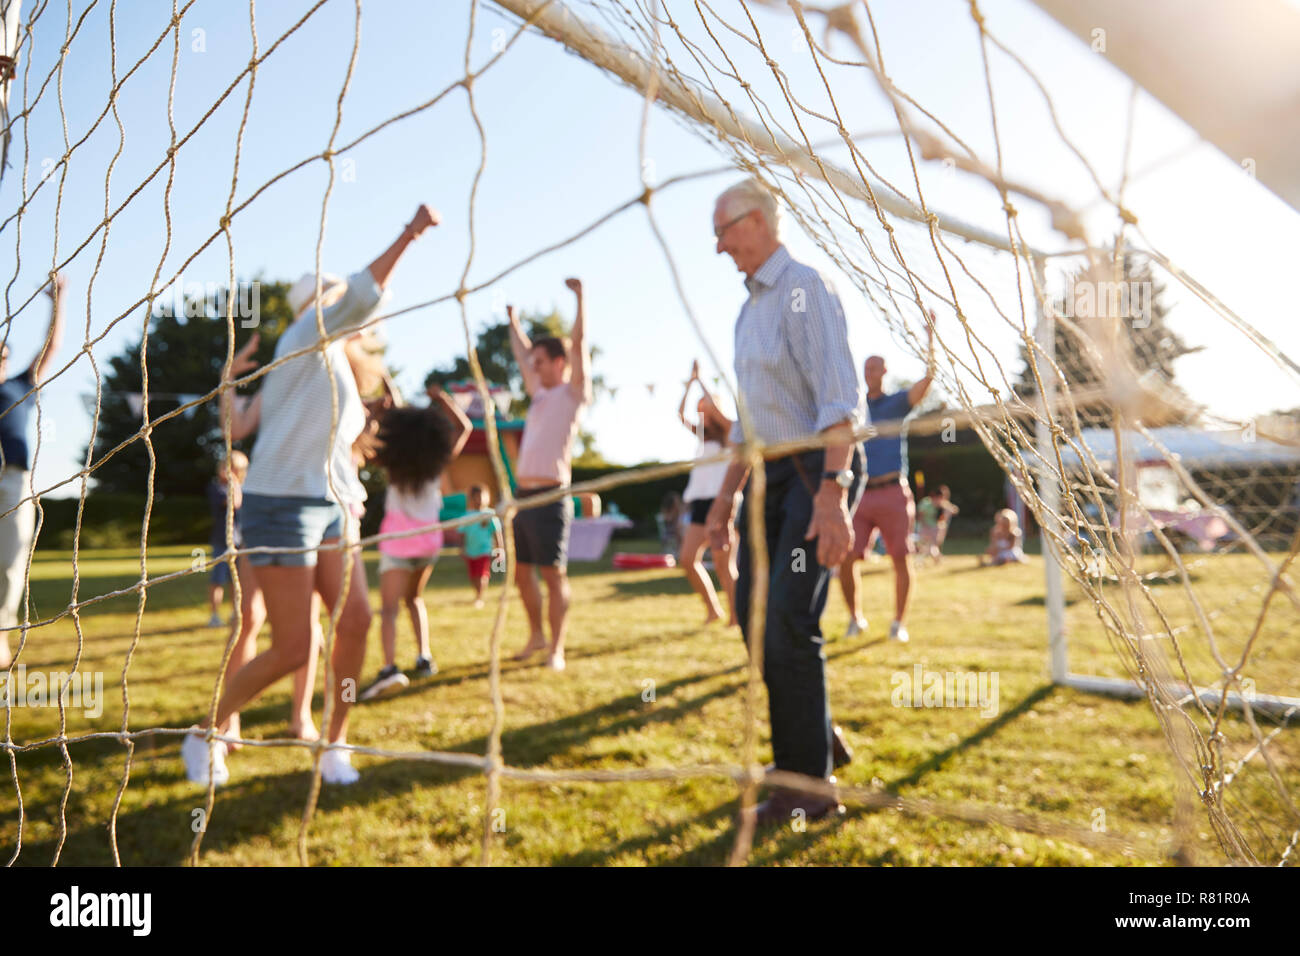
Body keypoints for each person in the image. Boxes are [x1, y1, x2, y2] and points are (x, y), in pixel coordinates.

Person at [181, 202, 441, 787]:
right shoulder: (304, 336)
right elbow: (362, 295)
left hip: (332, 507)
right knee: (295, 647)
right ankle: (204, 733)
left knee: (356, 624)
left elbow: (333, 437)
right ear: (317, 303)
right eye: (329, 295)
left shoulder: (335, 368)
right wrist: (410, 232)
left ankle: (334, 742)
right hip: (281, 507)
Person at [704, 178, 864, 826]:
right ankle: (817, 740)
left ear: (760, 221)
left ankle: (809, 791)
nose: (718, 248)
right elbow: (745, 427)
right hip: (767, 487)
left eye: (723, 231)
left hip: (812, 479)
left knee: (789, 622)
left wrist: (833, 495)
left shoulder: (805, 288)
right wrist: (722, 507)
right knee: (750, 616)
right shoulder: (747, 313)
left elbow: (839, 401)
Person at [359, 386, 471, 701]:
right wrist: (443, 401)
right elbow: (464, 428)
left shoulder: (391, 462)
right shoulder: (437, 461)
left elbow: (363, 442)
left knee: (390, 609)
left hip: (397, 541)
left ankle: (389, 667)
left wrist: (377, 414)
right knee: (415, 600)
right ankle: (424, 657)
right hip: (428, 541)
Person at [505, 280, 592, 672]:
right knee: (522, 575)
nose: (533, 366)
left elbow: (580, 341)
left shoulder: (573, 392)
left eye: (540, 361)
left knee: (553, 576)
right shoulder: (539, 393)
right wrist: (512, 320)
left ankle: (556, 648)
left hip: (552, 497)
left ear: (560, 361)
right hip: (522, 497)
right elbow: (521, 352)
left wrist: (579, 298)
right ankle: (536, 636)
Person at [838, 316, 935, 643]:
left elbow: (927, 380)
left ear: (884, 372)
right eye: (866, 368)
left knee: (899, 558)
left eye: (876, 368)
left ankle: (898, 624)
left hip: (894, 491)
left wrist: (930, 337)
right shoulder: (854, 408)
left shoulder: (896, 404)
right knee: (848, 557)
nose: (870, 372)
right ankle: (855, 619)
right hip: (860, 492)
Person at [0, 272, 64, 671]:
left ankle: (1, 633)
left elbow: (52, 347)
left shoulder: (21, 386)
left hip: (13, 483)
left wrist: (58, 301)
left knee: (10, 561)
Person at [676, 359, 736, 625]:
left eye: (706, 405)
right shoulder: (702, 435)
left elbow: (712, 404)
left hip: (722, 502)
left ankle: (736, 614)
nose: (702, 409)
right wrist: (689, 385)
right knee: (688, 559)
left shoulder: (731, 432)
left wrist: (701, 382)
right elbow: (679, 414)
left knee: (724, 565)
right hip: (700, 504)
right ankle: (713, 609)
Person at [206, 451, 248, 627]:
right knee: (217, 579)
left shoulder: (245, 488)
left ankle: (234, 612)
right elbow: (234, 503)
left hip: (240, 542)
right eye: (225, 467)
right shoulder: (217, 488)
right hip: (221, 541)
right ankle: (214, 615)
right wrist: (235, 485)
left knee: (236, 580)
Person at [462, 484, 502, 609]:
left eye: (482, 497)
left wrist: (500, 548)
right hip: (471, 551)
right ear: (471, 499)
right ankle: (477, 594)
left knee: (482, 574)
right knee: (473, 576)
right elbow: (462, 533)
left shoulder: (489, 514)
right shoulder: (467, 516)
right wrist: (462, 548)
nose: (479, 500)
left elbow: (497, 532)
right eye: (476, 497)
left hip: (484, 550)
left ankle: (479, 597)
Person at [916, 484, 959, 565]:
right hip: (924, 528)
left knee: (932, 545)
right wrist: (926, 527)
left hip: (935, 528)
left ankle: (935, 558)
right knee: (927, 546)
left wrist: (947, 509)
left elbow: (955, 510)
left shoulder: (943, 504)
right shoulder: (926, 503)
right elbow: (919, 517)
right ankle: (933, 558)